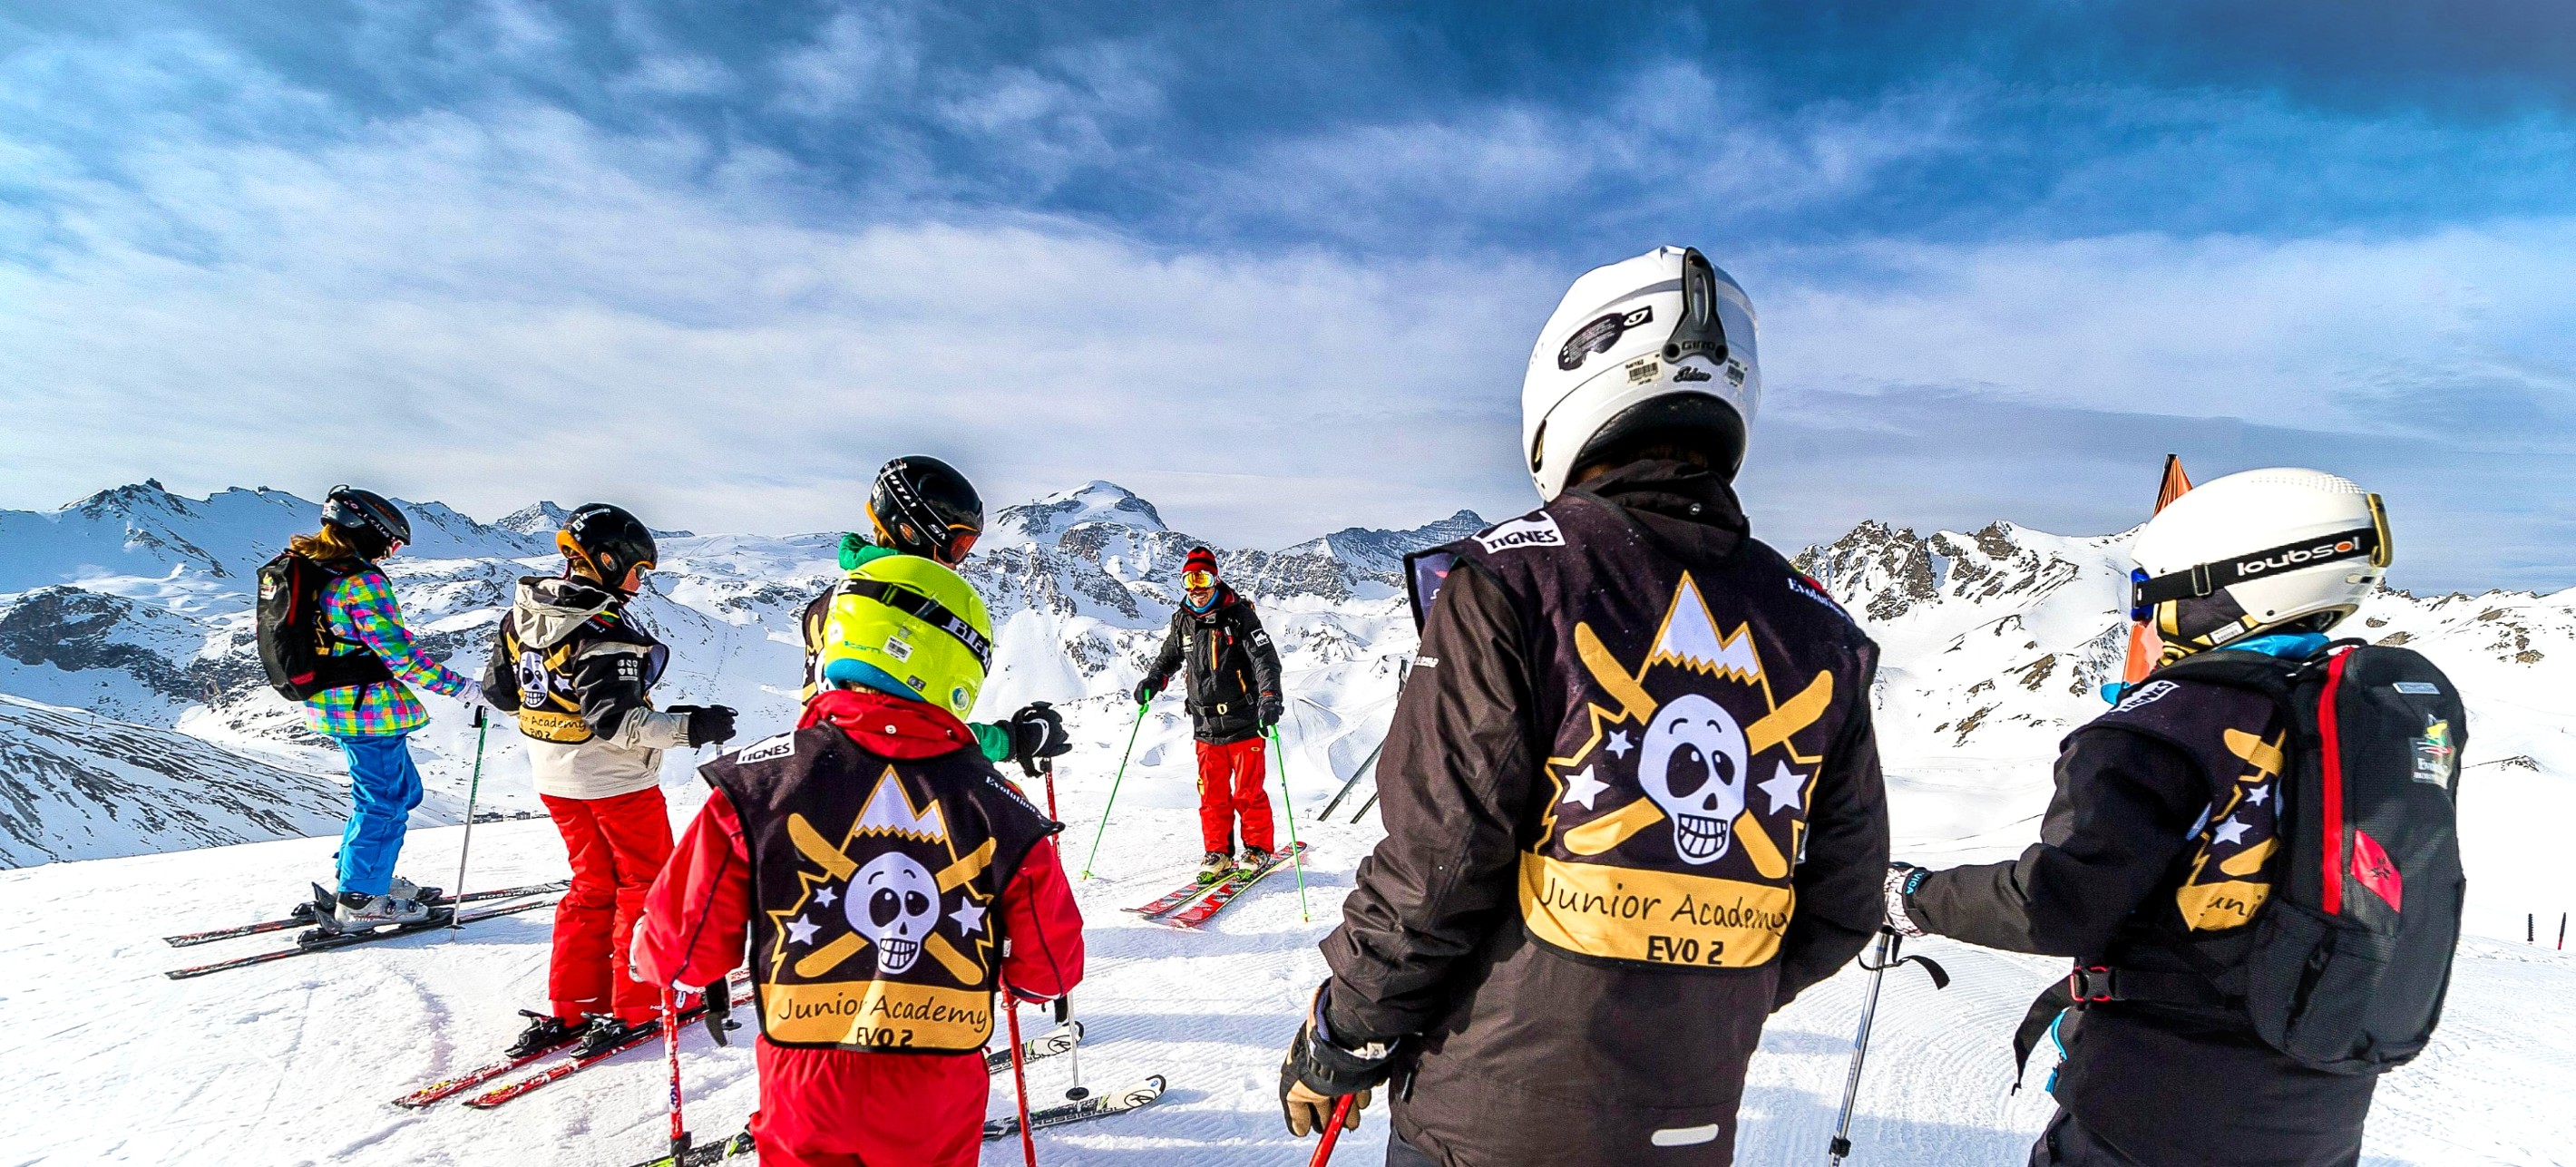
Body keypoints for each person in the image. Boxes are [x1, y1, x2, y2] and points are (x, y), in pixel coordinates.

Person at [1278, 247, 1890, 1165]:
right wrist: (1704, 1001)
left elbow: (1439, 865)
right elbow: (1844, 900)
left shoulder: (1511, 581)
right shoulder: (1822, 631)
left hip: (1487, 1125)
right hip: (1690, 1126)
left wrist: (1342, 1034)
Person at [1885, 468, 2448, 1167]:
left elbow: (2054, 903)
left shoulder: (2162, 725)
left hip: (2155, 1114)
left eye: (2149, 594)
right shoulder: (2365, 714)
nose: (2142, 621)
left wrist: (1914, 896)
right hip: (2317, 1115)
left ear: (2217, 589)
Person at [633, 550, 1085, 1167]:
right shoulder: (997, 801)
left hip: (805, 1077)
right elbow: (1052, 966)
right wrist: (1020, 977)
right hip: (938, 1083)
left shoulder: (761, 782)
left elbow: (682, 952)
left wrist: (653, 951)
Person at [478, 503, 739, 1059]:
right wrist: (692, 727)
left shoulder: (523, 614)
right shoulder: (604, 630)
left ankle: (574, 1003)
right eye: (638, 569)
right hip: (617, 783)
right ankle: (641, 1003)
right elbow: (618, 723)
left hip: (554, 777)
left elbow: (500, 693)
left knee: (591, 885)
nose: (640, 582)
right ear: (607, 560)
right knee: (645, 886)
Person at [280, 486, 494, 931]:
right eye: (392, 543)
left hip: (335, 703)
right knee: (385, 801)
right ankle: (362, 899)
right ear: (369, 532)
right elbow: (402, 657)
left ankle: (357, 877)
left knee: (396, 793)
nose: (391, 553)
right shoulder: (361, 581)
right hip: (366, 708)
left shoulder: (316, 570)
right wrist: (465, 690)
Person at [798, 455, 1072, 778]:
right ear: (912, 532)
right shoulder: (898, 608)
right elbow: (909, 732)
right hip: (876, 787)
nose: (957, 563)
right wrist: (1010, 741)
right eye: (957, 546)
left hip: (821, 772)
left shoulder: (845, 600)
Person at [1135, 546, 1285, 883]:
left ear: (1215, 579)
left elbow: (1265, 661)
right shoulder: (1183, 620)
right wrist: (1153, 681)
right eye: (1189, 580)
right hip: (1204, 725)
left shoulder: (1239, 616)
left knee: (1248, 793)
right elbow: (1168, 658)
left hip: (1244, 721)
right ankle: (1218, 852)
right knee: (1212, 795)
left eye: (1202, 578)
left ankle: (1257, 849)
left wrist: (1270, 698)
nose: (1196, 588)